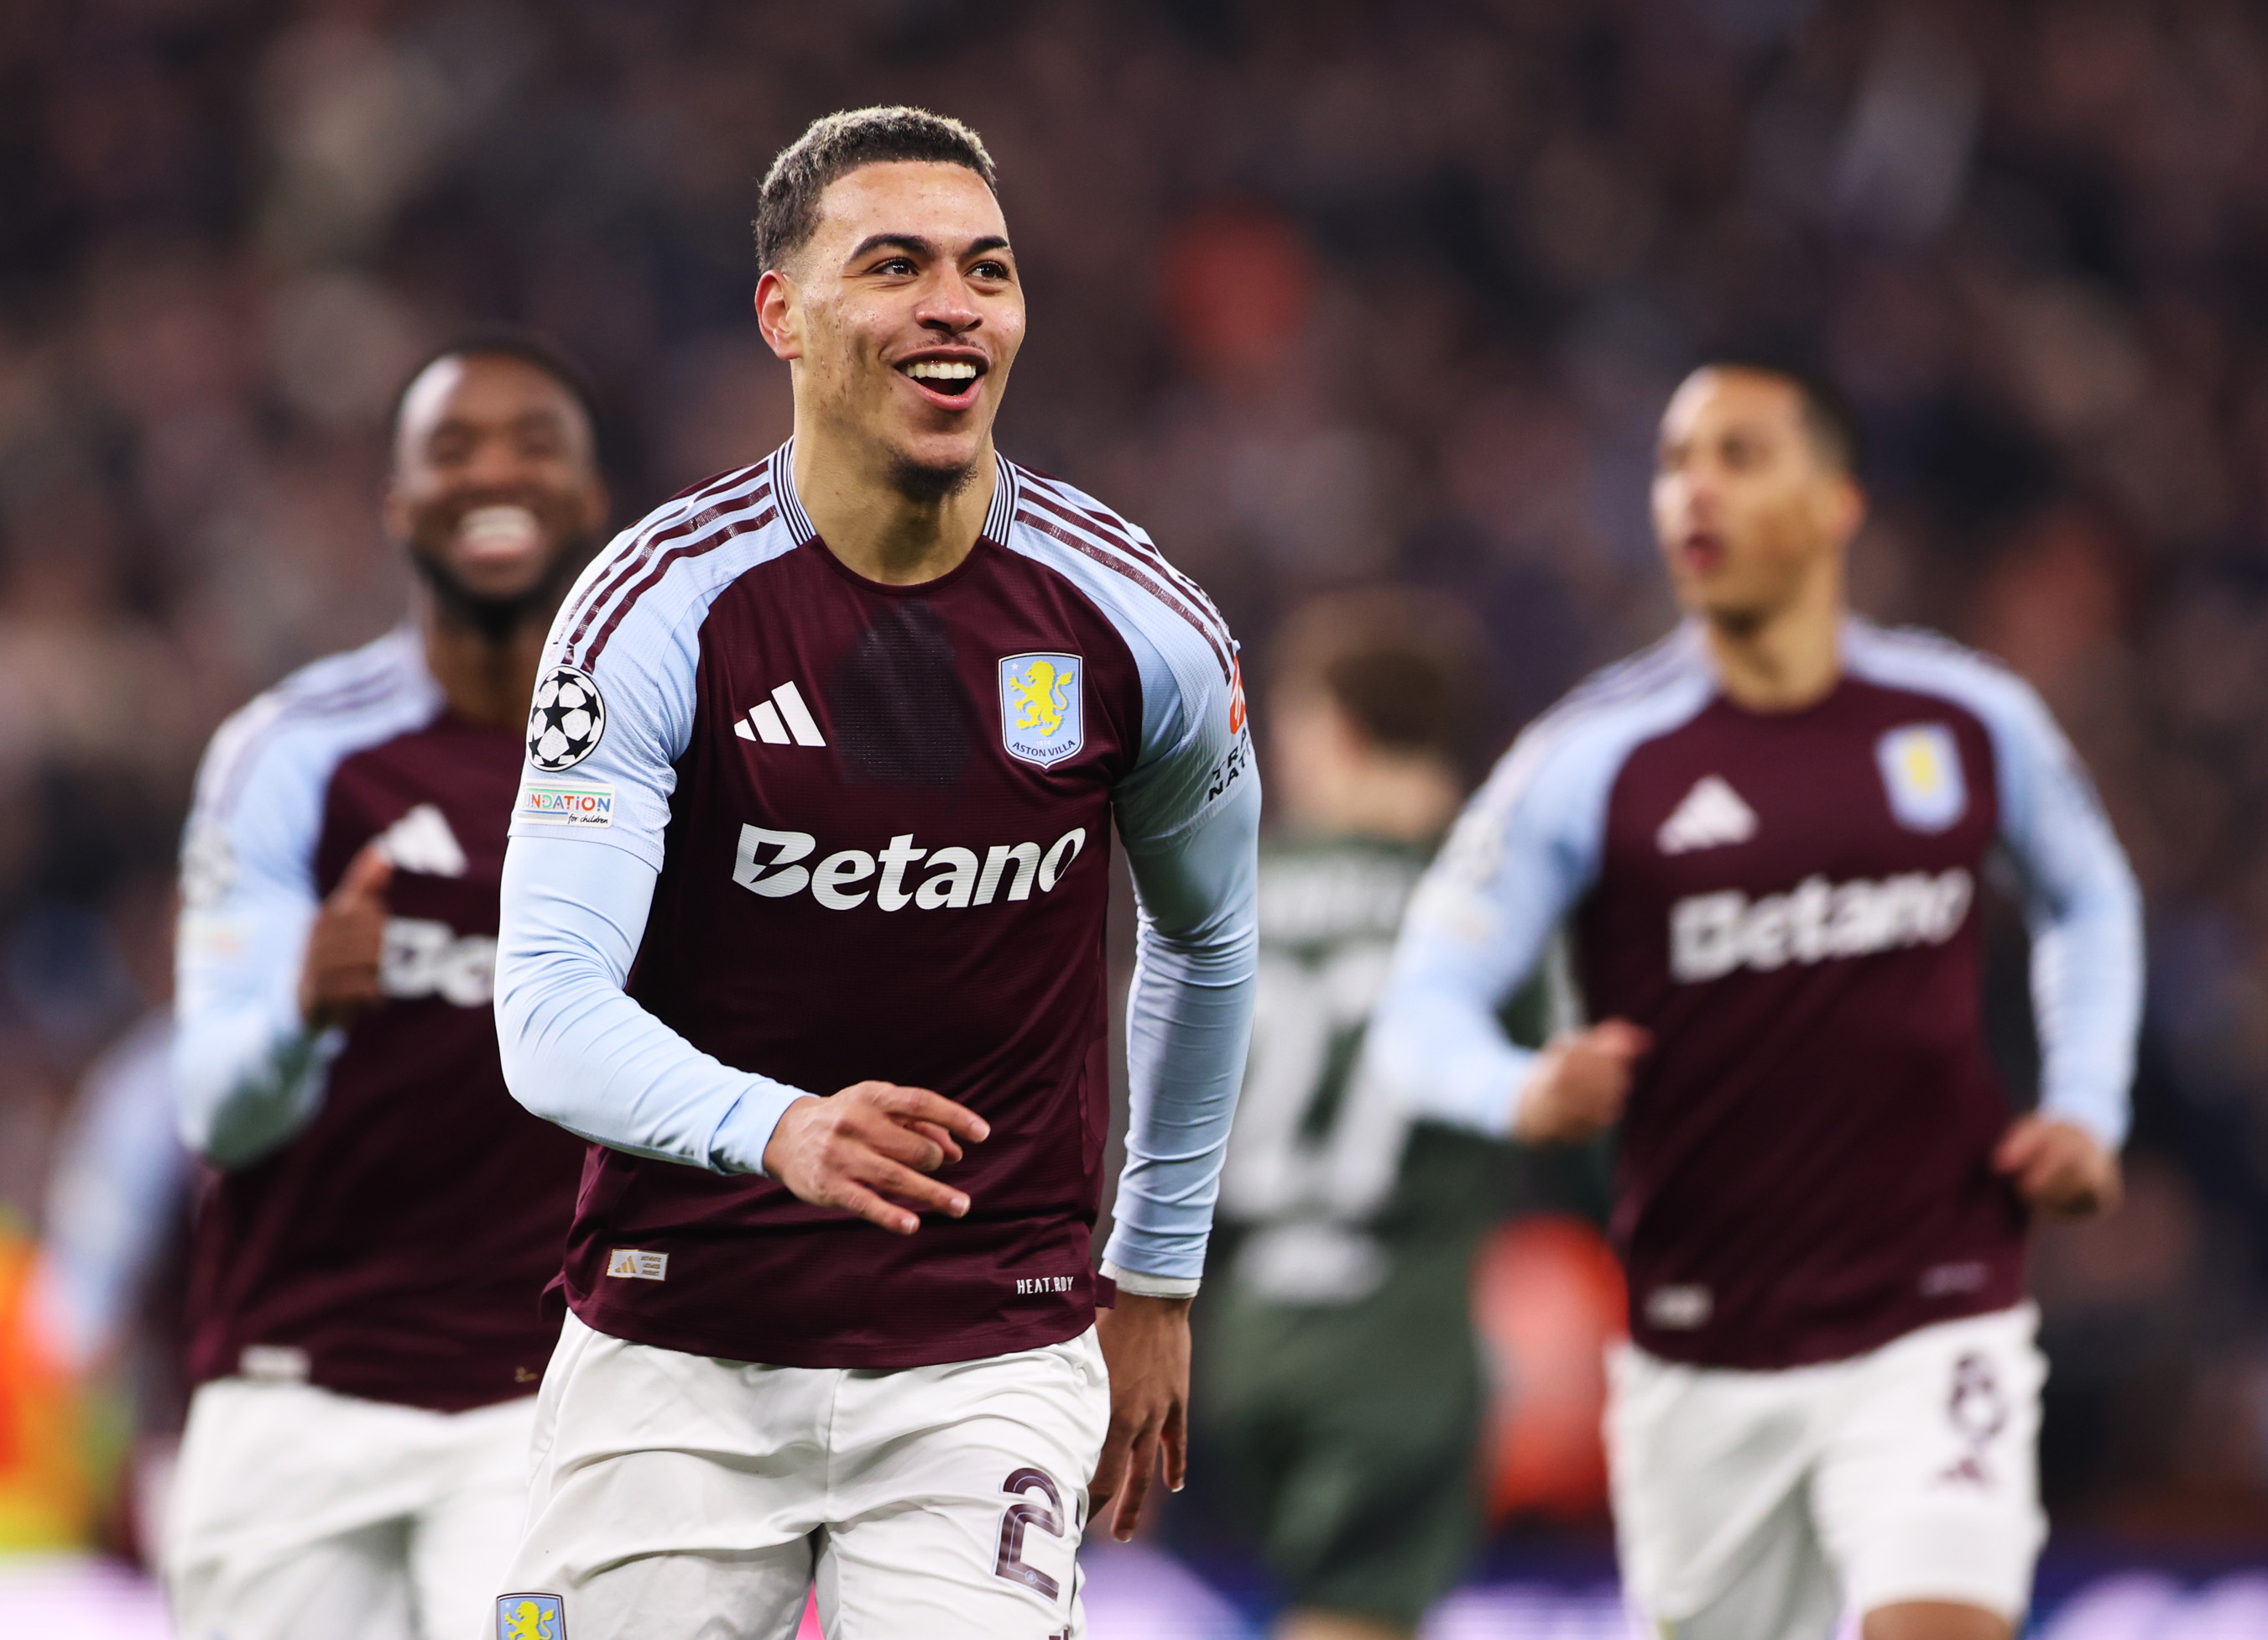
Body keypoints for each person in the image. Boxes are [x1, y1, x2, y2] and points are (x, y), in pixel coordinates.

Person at [490, 106, 1259, 1640]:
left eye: (988, 269)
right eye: (895, 264)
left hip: (990, 1346)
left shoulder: (1141, 625)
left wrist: (1157, 1271)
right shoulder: (654, 613)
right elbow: (546, 1010)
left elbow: (1208, 942)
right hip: (679, 1336)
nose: (954, 305)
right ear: (784, 313)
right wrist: (774, 1128)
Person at [1367, 363, 2143, 1640]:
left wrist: (2088, 1104)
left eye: (1739, 455)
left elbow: (2089, 896)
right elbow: (1423, 1006)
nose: (1693, 492)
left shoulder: (1965, 719)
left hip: (1936, 1310)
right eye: (1675, 462)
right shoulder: (1589, 759)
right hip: (1698, 1345)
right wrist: (1522, 1087)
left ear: (1837, 501)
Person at [165, 332, 608, 1640]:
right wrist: (299, 1017)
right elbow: (212, 1110)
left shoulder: (662, 767)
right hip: (296, 1393)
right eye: (453, 450)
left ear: (592, 500)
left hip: (546, 1407)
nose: (494, 474)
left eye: (533, 443)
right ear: (399, 504)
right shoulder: (295, 756)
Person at [1197, 591, 1543, 1640]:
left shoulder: (1234, 892)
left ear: (1336, 728)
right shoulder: (1491, 905)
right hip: (1397, 1339)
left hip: (1241, 1338)